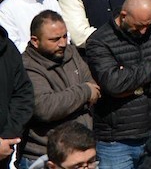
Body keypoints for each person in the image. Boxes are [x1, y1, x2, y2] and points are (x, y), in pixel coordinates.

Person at [85, 0, 151, 169]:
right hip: (117, 141)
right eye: (139, 25)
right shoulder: (99, 42)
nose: (144, 31)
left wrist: (133, 86)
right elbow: (113, 84)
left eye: (148, 25)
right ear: (123, 15)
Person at [21, 10, 95, 168]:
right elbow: (46, 107)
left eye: (64, 36)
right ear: (35, 41)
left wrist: (70, 98)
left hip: (80, 151)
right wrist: (84, 92)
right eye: (54, 39)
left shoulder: (71, 52)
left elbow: (94, 86)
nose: (62, 43)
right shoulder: (27, 67)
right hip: (43, 154)